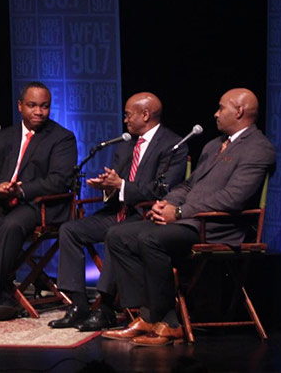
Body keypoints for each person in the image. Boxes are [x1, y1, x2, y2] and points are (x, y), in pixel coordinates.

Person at [101, 88, 275, 346]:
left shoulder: (259, 148)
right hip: (189, 220)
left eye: (221, 108)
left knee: (150, 238)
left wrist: (181, 212)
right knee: (118, 234)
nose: (215, 114)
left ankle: (166, 322)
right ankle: (154, 317)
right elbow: (188, 185)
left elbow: (233, 198)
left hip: (218, 226)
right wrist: (166, 203)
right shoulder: (214, 145)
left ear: (239, 111)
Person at [49, 92, 187, 331]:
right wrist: (107, 187)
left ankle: (105, 308)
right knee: (70, 230)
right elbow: (118, 183)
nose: (125, 121)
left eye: (128, 115)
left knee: (117, 233)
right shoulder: (125, 146)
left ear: (145, 114)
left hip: (146, 216)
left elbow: (162, 190)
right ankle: (79, 304)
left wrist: (121, 185)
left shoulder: (173, 145)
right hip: (119, 210)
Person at [0, 82, 77, 321]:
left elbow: (60, 181)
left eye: (44, 106)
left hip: (38, 206)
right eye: (32, 105)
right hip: (3, 205)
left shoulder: (62, 138)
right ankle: (5, 298)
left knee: (11, 226)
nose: (39, 112)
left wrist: (20, 191)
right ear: (20, 106)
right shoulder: (4, 136)